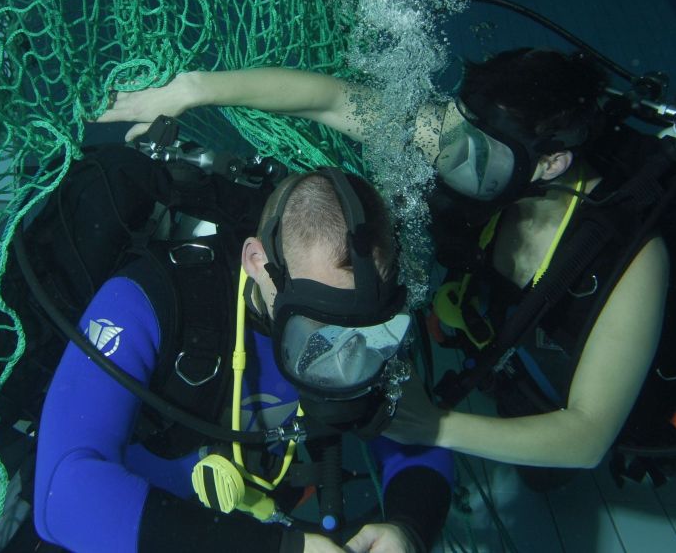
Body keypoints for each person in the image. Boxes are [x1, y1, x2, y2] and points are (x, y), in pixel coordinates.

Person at [97, 48, 676, 538]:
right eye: (455, 128)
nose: (448, 150)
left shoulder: (635, 262)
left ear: (550, 165)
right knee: (536, 474)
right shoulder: (488, 150)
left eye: (474, 146)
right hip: (513, 353)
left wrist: (435, 426)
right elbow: (328, 98)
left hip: (628, 390)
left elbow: (588, 436)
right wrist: (192, 89)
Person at [33, 164, 453, 553]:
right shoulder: (151, 298)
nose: (339, 346)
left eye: (363, 326)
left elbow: (417, 438)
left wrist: (407, 530)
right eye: (316, 321)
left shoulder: (365, 325)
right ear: (258, 262)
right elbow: (63, 497)